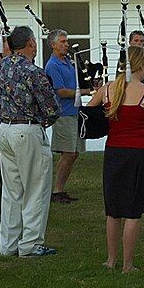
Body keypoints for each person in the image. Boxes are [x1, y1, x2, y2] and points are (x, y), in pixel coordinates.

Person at [87, 45, 144, 273]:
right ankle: (127, 264)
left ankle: (110, 260)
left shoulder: (108, 89)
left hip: (114, 152)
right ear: (142, 64)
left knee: (113, 209)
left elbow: (89, 115)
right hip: (139, 153)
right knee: (133, 210)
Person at [0, 26, 60, 258]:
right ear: (31, 43)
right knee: (36, 189)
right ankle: (30, 245)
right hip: (27, 129)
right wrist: (47, 118)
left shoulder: (0, 67)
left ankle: (8, 245)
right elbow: (51, 108)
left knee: (11, 192)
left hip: (4, 128)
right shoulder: (34, 72)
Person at [44, 29, 91, 204]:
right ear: (53, 44)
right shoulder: (53, 65)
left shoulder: (68, 61)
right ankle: (55, 191)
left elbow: (76, 82)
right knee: (68, 153)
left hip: (75, 112)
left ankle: (60, 189)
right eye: (63, 42)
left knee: (74, 153)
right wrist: (85, 91)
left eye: (66, 41)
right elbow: (61, 91)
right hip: (63, 113)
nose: (67, 44)